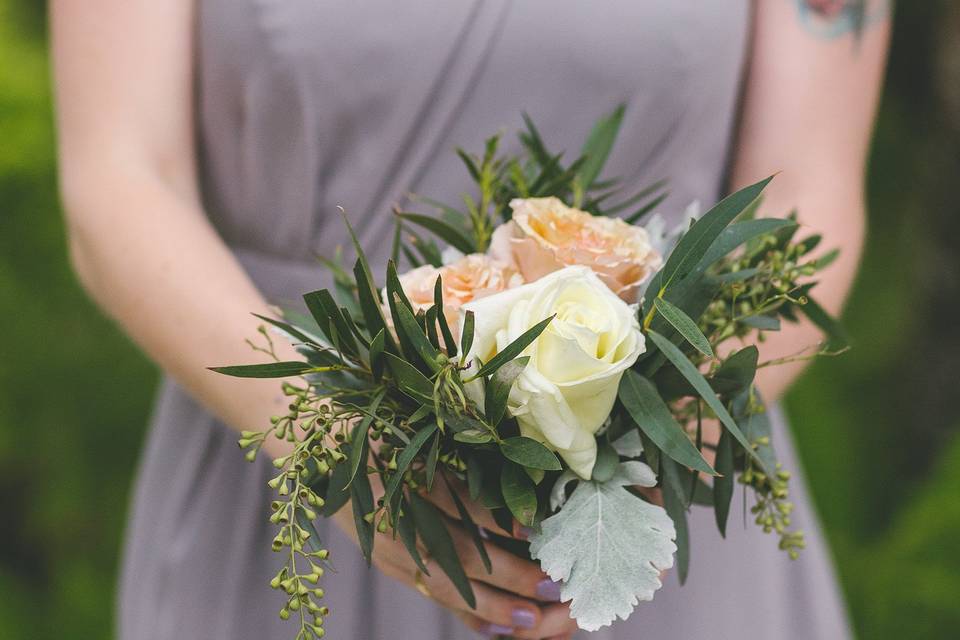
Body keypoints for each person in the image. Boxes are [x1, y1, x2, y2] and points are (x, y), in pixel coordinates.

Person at [50, 1, 889, 638]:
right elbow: (121, 177)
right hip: (285, 471)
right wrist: (335, 440)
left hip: (647, 508)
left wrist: (649, 453)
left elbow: (807, 198)